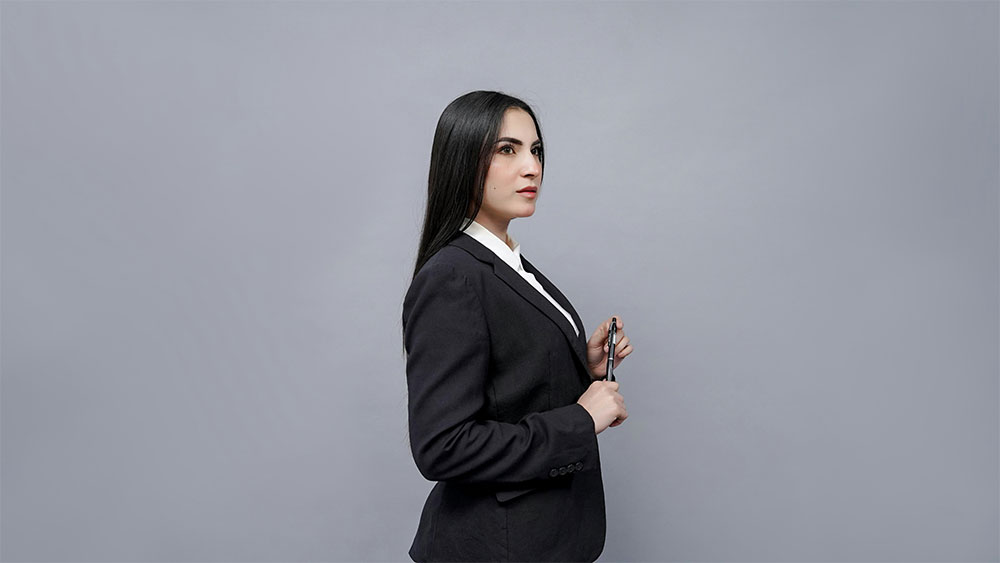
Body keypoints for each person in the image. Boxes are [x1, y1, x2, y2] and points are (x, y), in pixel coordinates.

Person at [401, 90, 633, 562]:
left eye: (536, 150)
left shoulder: (508, 264)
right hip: (496, 549)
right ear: (463, 160)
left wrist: (581, 367)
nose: (532, 167)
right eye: (508, 149)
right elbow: (443, 446)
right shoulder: (452, 276)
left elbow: (510, 385)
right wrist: (581, 420)